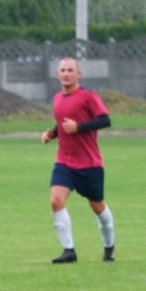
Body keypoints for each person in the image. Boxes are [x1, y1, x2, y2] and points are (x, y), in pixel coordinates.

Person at [41, 56, 115, 264]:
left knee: (97, 206)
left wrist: (79, 127)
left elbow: (105, 120)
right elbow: (62, 124)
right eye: (62, 70)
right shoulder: (57, 98)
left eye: (70, 70)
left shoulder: (88, 96)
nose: (66, 74)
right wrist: (51, 134)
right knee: (56, 200)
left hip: (89, 164)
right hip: (64, 161)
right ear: (57, 74)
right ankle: (69, 251)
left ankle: (109, 246)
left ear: (78, 74)